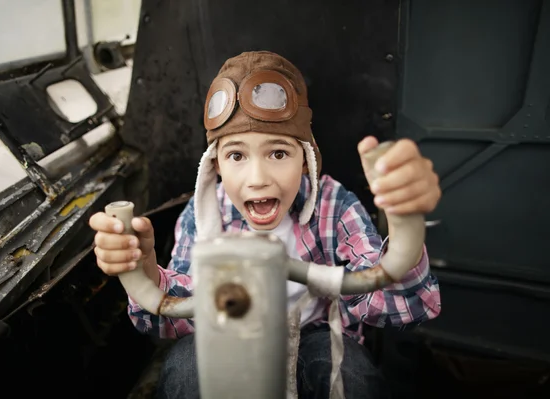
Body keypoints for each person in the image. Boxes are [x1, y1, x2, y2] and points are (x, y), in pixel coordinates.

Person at [89, 51, 442, 399]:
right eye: (237, 155)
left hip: (315, 333)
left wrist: (405, 223)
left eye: (278, 153)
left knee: (353, 375)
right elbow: (177, 318)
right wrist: (144, 270)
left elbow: (405, 304)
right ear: (216, 166)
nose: (257, 179)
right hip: (228, 332)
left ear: (306, 160)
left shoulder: (334, 205)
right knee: (185, 368)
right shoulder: (202, 215)